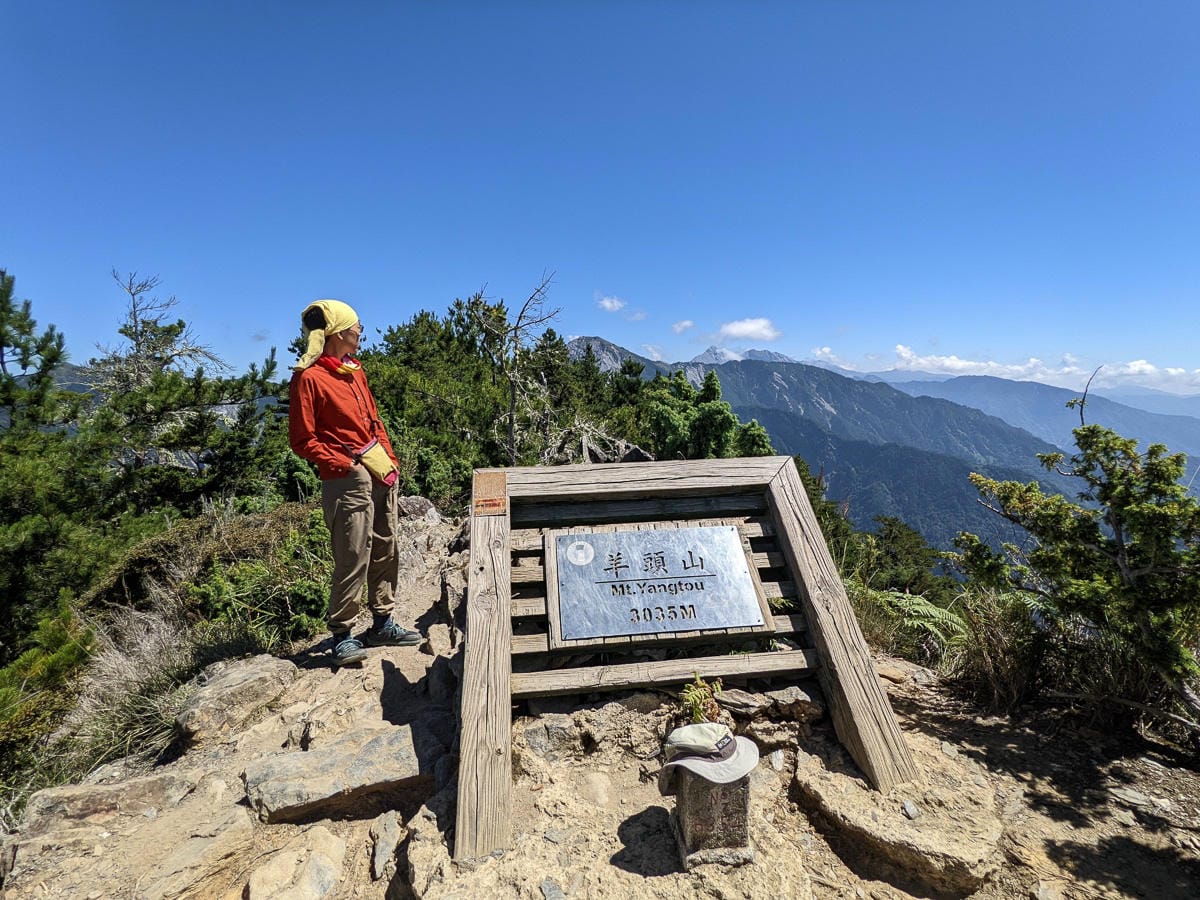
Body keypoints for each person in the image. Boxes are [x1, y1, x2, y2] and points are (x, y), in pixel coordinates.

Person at [288, 298, 422, 666]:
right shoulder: (308, 378)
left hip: (378, 471)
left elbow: (373, 422)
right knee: (352, 555)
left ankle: (382, 622)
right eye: (357, 325)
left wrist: (389, 460)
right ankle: (343, 634)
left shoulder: (354, 370)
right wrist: (346, 463)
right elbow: (302, 440)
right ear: (339, 332)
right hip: (346, 479)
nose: (361, 330)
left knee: (385, 546)